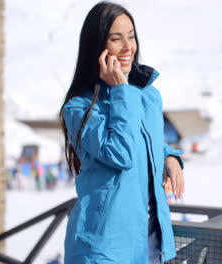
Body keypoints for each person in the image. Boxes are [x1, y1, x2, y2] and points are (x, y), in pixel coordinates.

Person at [59, 2, 185, 263]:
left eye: (131, 36)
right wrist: (119, 90)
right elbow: (121, 153)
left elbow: (144, 143)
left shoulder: (148, 97)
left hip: (150, 244)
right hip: (103, 249)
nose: (128, 47)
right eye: (116, 39)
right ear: (98, 47)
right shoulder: (79, 108)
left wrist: (169, 156)